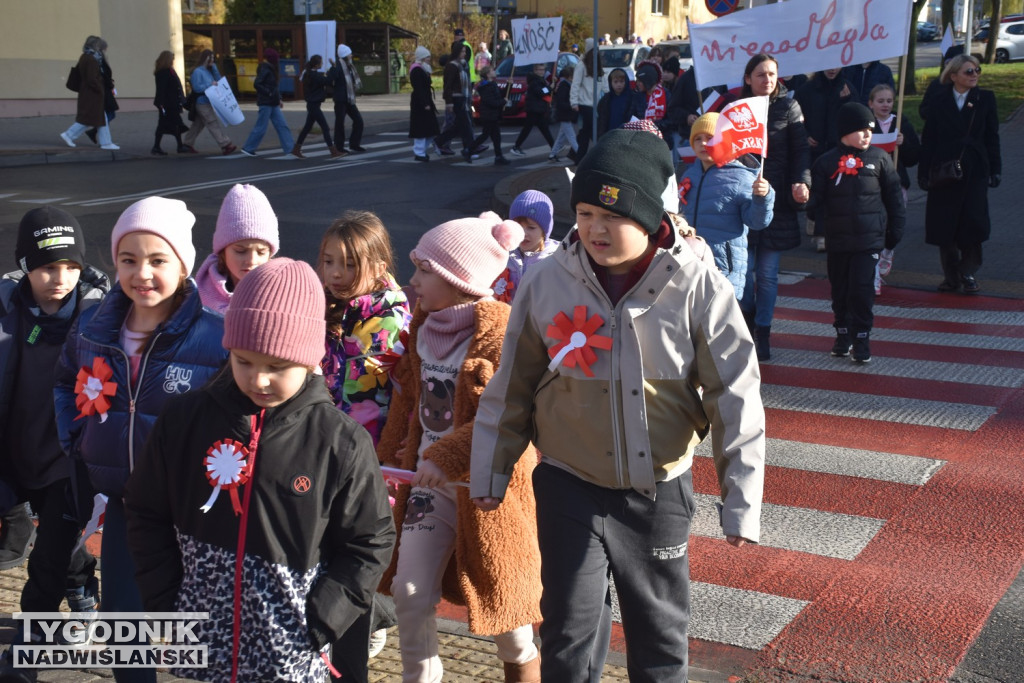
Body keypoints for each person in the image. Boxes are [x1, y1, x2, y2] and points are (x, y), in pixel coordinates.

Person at [469, 128, 765, 683]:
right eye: (584, 213)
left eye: (613, 216)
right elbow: (512, 383)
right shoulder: (548, 281)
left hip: (657, 491)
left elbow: (735, 393)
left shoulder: (697, 285)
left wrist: (741, 499)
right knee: (568, 634)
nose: (595, 229)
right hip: (567, 482)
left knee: (659, 638)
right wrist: (491, 468)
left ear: (650, 216)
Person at [125, 258, 396, 683]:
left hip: (290, 651)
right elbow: (145, 510)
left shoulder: (339, 441)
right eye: (244, 361)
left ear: (309, 359)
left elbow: (370, 540)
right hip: (196, 646)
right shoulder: (184, 421)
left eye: (277, 366)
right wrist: (166, 601)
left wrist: (324, 617)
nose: (260, 379)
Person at [54, 197, 227, 683]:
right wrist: (78, 438)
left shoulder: (216, 336)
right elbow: (65, 380)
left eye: (157, 260)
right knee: (122, 621)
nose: (142, 273)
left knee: (199, 623)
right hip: (126, 502)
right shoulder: (92, 327)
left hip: (195, 510)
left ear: (183, 266)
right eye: (128, 260)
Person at [377, 213, 542, 683]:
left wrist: (443, 457)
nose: (413, 280)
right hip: (428, 487)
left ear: (459, 280)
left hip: (488, 492)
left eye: (424, 270)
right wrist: (386, 456)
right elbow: (407, 398)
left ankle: (524, 668)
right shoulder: (421, 328)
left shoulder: (502, 334)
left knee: (507, 614)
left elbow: (508, 415)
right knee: (409, 591)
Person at [0, 208, 109, 681]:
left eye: (71, 266)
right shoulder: (6, 309)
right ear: (25, 265)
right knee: (56, 547)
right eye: (48, 267)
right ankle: (81, 580)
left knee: (46, 562)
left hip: (68, 463)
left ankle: (26, 656)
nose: (60, 279)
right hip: (12, 455)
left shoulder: (100, 316)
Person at [808, 102, 904, 363]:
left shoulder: (880, 158)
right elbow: (814, 203)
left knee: (861, 291)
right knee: (840, 291)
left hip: (868, 240)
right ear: (845, 131)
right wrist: (802, 198)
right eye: (861, 130)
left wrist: (895, 231)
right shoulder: (826, 162)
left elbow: (894, 199)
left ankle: (862, 338)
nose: (867, 135)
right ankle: (842, 334)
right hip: (838, 240)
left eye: (870, 130)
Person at [737, 53, 811, 362]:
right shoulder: (736, 109)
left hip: (777, 201)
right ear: (748, 78)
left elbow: (801, 150)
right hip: (743, 200)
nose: (768, 79)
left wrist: (801, 181)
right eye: (761, 74)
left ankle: (764, 331)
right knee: (744, 274)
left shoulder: (789, 107)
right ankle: (747, 323)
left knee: (767, 274)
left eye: (772, 74)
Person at [318, 210, 411, 445]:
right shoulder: (317, 308)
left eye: (349, 265)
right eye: (328, 262)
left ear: (379, 268)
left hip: (371, 445)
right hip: (321, 438)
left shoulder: (394, 322)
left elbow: (408, 390)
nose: (335, 273)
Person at [918, 54, 1001, 294]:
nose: (974, 75)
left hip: (975, 170)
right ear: (953, 76)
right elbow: (929, 139)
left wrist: (996, 169)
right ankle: (951, 277)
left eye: (977, 70)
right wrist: (924, 172)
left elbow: (992, 137)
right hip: (944, 170)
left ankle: (968, 270)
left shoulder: (985, 99)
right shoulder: (938, 100)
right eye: (968, 71)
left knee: (973, 223)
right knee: (945, 225)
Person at [680, 113, 775, 299]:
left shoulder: (741, 177)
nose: (703, 143)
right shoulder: (689, 175)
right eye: (698, 139)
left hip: (723, 267)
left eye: (710, 138)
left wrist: (763, 198)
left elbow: (757, 222)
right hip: (688, 262)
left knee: (719, 315)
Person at [867, 83, 920, 295]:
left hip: (896, 183)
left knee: (894, 224)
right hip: (872, 183)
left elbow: (914, 157)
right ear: (871, 103)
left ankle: (888, 250)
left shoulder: (900, 123)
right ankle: (874, 276)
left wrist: (903, 143)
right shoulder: (866, 123)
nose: (885, 105)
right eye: (880, 101)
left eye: (889, 101)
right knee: (874, 228)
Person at [195, 184, 280, 314]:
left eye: (261, 252)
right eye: (241, 251)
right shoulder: (199, 294)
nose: (252, 260)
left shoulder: (280, 293)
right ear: (223, 251)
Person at [492, 190, 558, 304]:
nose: (523, 233)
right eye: (518, 226)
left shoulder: (556, 258)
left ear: (544, 231)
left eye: (531, 228)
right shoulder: (504, 254)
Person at [60, 36, 119, 151]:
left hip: (89, 93)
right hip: (92, 94)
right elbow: (92, 79)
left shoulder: (86, 56)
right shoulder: (91, 59)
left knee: (99, 118)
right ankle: (69, 134)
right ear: (95, 45)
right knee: (91, 118)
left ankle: (106, 143)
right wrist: (100, 89)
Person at [240, 48, 295, 157]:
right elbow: (257, 84)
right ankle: (248, 148)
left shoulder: (268, 68)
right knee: (265, 126)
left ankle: (290, 149)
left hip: (272, 102)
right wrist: (270, 93)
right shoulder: (266, 69)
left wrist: (278, 98)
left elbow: (272, 86)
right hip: (266, 102)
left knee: (280, 125)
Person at [181, 49, 237, 155]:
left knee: (198, 124)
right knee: (212, 122)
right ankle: (225, 144)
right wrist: (210, 85)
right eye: (210, 58)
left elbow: (219, 81)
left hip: (208, 101)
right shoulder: (197, 72)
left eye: (213, 58)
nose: (212, 60)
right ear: (205, 58)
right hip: (201, 102)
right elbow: (197, 88)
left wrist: (214, 68)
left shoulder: (209, 71)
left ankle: (187, 144)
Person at [293, 55, 346, 159]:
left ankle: (296, 149)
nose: (322, 64)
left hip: (312, 104)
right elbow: (328, 80)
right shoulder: (315, 76)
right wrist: (334, 67)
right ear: (317, 65)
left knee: (307, 127)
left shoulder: (308, 73)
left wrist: (332, 69)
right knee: (325, 128)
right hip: (314, 105)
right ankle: (333, 151)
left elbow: (325, 79)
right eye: (321, 63)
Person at [434, 42, 476, 161]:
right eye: (462, 51)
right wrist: (449, 102)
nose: (464, 54)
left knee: (460, 126)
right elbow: (448, 85)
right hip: (456, 98)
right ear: (457, 52)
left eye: (465, 51)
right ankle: (471, 148)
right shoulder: (452, 66)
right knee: (465, 124)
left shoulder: (463, 65)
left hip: (464, 98)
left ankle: (439, 140)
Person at [326, 44, 366, 153]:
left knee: (358, 121)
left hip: (349, 98)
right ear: (345, 55)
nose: (351, 56)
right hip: (341, 99)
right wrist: (335, 90)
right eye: (349, 54)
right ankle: (339, 146)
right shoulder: (337, 66)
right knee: (340, 123)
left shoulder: (349, 65)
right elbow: (329, 80)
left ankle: (354, 144)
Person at [570, 38, 606, 158]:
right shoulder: (581, 65)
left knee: (585, 132)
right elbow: (575, 85)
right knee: (594, 131)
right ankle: (599, 154)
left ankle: (576, 156)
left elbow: (604, 85)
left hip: (596, 105)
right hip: (584, 104)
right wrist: (574, 102)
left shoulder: (599, 67)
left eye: (597, 50)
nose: (596, 53)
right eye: (593, 50)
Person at [510, 63, 555, 156]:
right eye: (540, 70)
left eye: (543, 70)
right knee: (529, 129)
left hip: (538, 108)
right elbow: (541, 92)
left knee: (543, 129)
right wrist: (550, 87)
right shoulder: (534, 81)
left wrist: (551, 85)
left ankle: (554, 147)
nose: (542, 72)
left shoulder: (539, 79)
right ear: (535, 71)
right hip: (534, 109)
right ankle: (516, 147)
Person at [470, 65, 511, 165]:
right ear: (488, 75)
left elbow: (501, 94)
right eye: (492, 70)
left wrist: (509, 86)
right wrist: (503, 102)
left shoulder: (492, 84)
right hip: (489, 115)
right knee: (486, 135)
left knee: (495, 137)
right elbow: (492, 102)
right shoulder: (486, 87)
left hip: (492, 115)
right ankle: (468, 150)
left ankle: (498, 156)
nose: (494, 71)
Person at [151, 51, 188, 156]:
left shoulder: (170, 71)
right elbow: (161, 89)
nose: (173, 61)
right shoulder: (163, 72)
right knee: (166, 124)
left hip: (173, 103)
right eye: (172, 59)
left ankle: (178, 146)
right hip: (167, 104)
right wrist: (161, 103)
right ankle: (158, 147)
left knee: (175, 124)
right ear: (167, 60)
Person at [408, 46, 440, 162]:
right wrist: (425, 103)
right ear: (422, 57)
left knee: (430, 129)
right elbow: (419, 89)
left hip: (425, 100)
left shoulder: (422, 68)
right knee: (421, 129)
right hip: (420, 103)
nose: (429, 59)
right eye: (427, 57)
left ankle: (421, 151)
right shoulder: (417, 70)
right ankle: (419, 152)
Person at [596, 67, 644, 137]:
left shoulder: (633, 97)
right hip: (609, 135)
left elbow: (639, 116)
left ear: (626, 81)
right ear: (611, 82)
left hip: (627, 135)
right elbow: (601, 120)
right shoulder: (606, 99)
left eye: (621, 81)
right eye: (615, 82)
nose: (619, 84)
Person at [549, 65, 579, 163]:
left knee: (561, 136)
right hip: (564, 115)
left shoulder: (566, 85)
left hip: (565, 115)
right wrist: (572, 105)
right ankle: (580, 155)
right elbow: (561, 103)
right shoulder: (564, 86)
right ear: (569, 77)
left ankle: (552, 154)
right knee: (571, 136)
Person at [635, 61, 667, 125]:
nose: (637, 83)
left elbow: (670, 119)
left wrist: (653, 126)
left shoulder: (666, 95)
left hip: (662, 130)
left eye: (640, 81)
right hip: (642, 129)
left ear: (648, 81)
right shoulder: (637, 96)